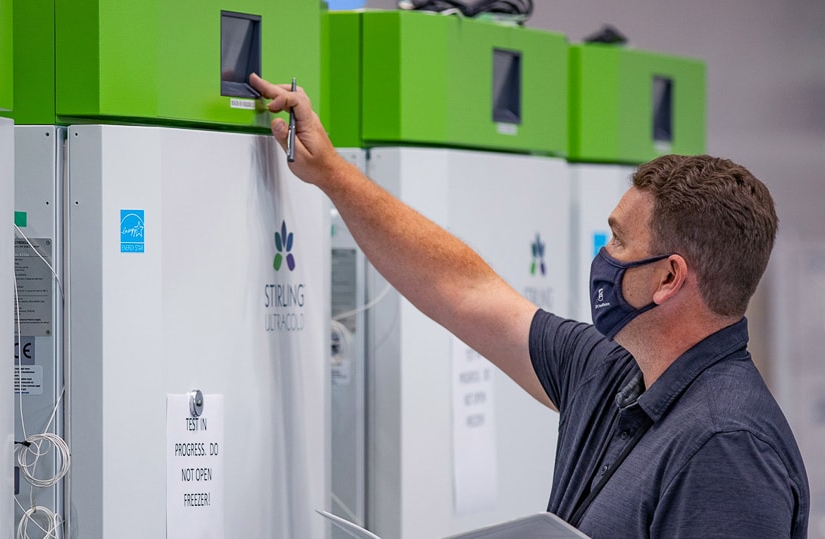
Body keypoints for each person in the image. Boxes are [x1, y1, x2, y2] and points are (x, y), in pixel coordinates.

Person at [249, 74, 810, 538]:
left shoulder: (729, 447)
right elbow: (463, 289)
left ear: (668, 277)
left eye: (617, 240)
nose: (602, 257)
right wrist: (332, 173)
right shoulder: (609, 374)